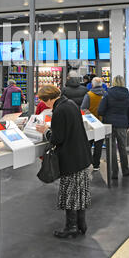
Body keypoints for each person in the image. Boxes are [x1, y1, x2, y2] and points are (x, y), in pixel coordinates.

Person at [36, 84, 92, 238]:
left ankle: (71, 227)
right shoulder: (71, 104)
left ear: (48, 99)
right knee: (80, 191)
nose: (44, 105)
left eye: (43, 101)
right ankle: (82, 224)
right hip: (81, 155)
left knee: (69, 193)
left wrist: (46, 131)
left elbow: (57, 139)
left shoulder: (59, 110)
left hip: (70, 157)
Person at [98, 75, 129, 179]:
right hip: (122, 124)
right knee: (122, 148)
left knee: (111, 149)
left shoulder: (108, 94)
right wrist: (128, 125)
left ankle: (114, 173)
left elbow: (100, 110)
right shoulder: (127, 95)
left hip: (109, 124)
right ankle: (125, 170)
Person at [81, 77, 106, 171]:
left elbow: (83, 108)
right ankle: (96, 165)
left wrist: (91, 117)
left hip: (91, 123)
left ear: (92, 85)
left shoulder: (89, 95)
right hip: (102, 122)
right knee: (98, 145)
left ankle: (86, 163)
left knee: (88, 144)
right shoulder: (105, 94)